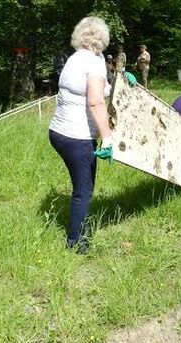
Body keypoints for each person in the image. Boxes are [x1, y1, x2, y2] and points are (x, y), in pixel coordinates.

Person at [49, 16, 113, 254]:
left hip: (58, 132)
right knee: (84, 190)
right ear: (102, 39)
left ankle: (78, 232)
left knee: (81, 186)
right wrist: (106, 137)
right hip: (77, 136)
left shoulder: (75, 59)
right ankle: (76, 242)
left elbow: (95, 88)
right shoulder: (95, 63)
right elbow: (96, 101)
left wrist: (120, 82)